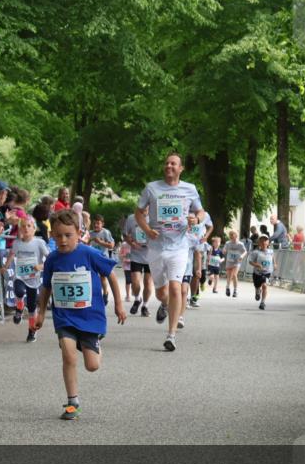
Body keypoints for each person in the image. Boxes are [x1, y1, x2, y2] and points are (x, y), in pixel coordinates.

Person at [32, 209, 126, 420]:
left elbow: (110, 274)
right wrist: (40, 313)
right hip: (64, 316)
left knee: (92, 366)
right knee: (68, 354)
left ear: (79, 232)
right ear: (52, 236)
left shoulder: (89, 253)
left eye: (68, 235)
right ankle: (72, 401)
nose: (63, 240)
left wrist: (118, 304)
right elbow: (46, 287)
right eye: (58, 236)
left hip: (90, 316)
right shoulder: (52, 259)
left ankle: (94, 345)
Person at [135, 152, 204, 351]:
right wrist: (147, 230)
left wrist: (196, 219)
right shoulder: (151, 188)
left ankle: (171, 335)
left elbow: (201, 211)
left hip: (179, 247)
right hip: (156, 247)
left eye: (173, 163)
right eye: (166, 163)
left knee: (176, 288)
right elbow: (138, 212)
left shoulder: (189, 189)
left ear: (181, 168)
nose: (169, 166)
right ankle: (164, 304)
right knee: (161, 292)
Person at [4, 217, 49, 341]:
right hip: (20, 276)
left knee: (32, 306)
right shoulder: (17, 243)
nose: (26, 228)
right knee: (19, 291)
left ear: (34, 229)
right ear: (20, 229)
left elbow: (50, 259)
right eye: (23, 226)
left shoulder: (39, 243)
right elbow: (11, 255)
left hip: (33, 280)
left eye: (29, 226)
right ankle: (19, 306)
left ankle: (31, 331)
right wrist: (5, 267)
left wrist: (41, 266)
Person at [248, 234, 274, 310]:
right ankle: (257, 291)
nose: (263, 243)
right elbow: (250, 262)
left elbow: (273, 258)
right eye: (262, 241)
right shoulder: (256, 252)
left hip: (267, 272)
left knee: (265, 286)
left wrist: (275, 264)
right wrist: (257, 265)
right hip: (257, 273)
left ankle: (262, 302)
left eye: (265, 241)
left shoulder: (271, 251)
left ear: (268, 243)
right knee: (257, 286)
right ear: (259, 243)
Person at [223, 230, 246, 297]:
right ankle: (227, 287)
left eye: (232, 234)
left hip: (237, 262)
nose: (231, 236)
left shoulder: (240, 244)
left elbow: (245, 251)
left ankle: (235, 291)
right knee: (229, 276)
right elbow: (224, 250)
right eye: (230, 235)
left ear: (236, 235)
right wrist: (224, 251)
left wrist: (242, 256)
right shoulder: (228, 243)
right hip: (229, 261)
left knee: (234, 275)